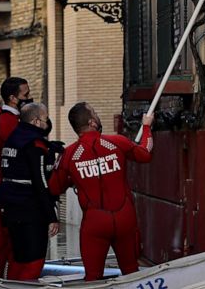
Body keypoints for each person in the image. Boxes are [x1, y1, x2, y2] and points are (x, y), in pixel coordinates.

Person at [48, 103, 154, 281]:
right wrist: (146, 126)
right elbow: (145, 153)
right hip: (124, 218)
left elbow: (54, 188)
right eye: (95, 113)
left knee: (93, 277)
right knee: (131, 272)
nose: (98, 116)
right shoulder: (116, 142)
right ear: (92, 122)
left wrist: (73, 178)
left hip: (95, 223)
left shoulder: (69, 155)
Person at [0, 103, 63, 281]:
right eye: (46, 118)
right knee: (34, 260)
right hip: (29, 209)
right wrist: (51, 216)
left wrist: (49, 147)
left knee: (18, 259)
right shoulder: (34, 144)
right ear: (36, 121)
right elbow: (40, 182)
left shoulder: (13, 138)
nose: (47, 122)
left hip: (10, 206)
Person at [0, 76, 33, 278]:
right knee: (4, 246)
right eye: (26, 94)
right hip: (5, 190)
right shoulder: (9, 122)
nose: (29, 98)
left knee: (9, 243)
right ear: (13, 98)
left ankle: (3, 280)